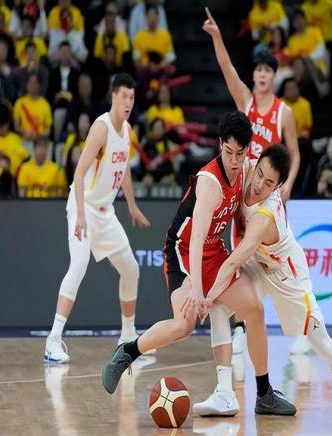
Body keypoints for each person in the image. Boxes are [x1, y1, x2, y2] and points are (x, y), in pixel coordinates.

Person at [102, 112, 296, 417]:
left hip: (214, 249)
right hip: (182, 251)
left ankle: (264, 394)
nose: (234, 160)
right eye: (228, 152)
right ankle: (128, 351)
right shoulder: (210, 183)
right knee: (185, 324)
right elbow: (195, 239)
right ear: (220, 145)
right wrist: (196, 289)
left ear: (247, 151)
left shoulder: (248, 170)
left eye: (240, 153)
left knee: (255, 310)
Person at [197, 145, 332, 414]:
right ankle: (225, 393)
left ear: (278, 187)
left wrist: (207, 294)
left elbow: (237, 257)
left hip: (287, 275)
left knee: (322, 343)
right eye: (260, 174)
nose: (259, 184)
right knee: (219, 305)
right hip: (258, 265)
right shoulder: (246, 168)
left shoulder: (266, 214)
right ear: (256, 163)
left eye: (269, 183)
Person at [203, 7, 300, 355]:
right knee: (242, 263)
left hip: (270, 198)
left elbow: (295, 154)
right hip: (245, 194)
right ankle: (242, 329)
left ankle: (299, 328)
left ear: (274, 75)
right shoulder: (245, 102)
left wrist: (287, 185)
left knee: (278, 263)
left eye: (267, 70)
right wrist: (217, 36)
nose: (261, 75)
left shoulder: (284, 112)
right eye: (258, 69)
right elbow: (226, 68)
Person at [44, 73, 151, 363]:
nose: (128, 102)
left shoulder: (126, 130)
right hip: (84, 207)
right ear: (113, 96)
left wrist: (132, 206)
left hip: (106, 213)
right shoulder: (101, 128)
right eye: (123, 96)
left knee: (131, 269)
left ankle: (127, 337)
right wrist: (80, 214)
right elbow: (79, 173)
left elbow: (123, 170)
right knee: (79, 264)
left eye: (132, 97)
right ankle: (53, 340)